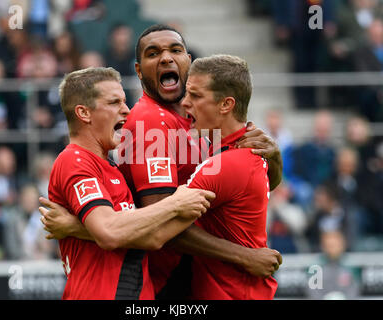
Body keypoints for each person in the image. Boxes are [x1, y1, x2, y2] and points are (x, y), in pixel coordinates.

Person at [41, 24, 283, 299]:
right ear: (139, 70)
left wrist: (273, 158)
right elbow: (160, 224)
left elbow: (250, 185)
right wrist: (243, 256)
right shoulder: (150, 122)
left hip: (200, 274)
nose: (166, 58)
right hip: (171, 277)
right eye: (153, 53)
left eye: (175, 50)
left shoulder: (201, 122)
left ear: (188, 61)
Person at [44, 66, 215, 300]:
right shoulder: (74, 161)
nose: (126, 110)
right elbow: (108, 231)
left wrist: (77, 228)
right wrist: (175, 204)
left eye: (124, 101)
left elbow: (153, 237)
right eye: (114, 102)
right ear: (84, 113)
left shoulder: (112, 168)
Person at [182, 54, 278, 299]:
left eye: (195, 95)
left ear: (226, 105)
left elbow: (165, 230)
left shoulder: (227, 164)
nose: (185, 103)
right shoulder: (246, 152)